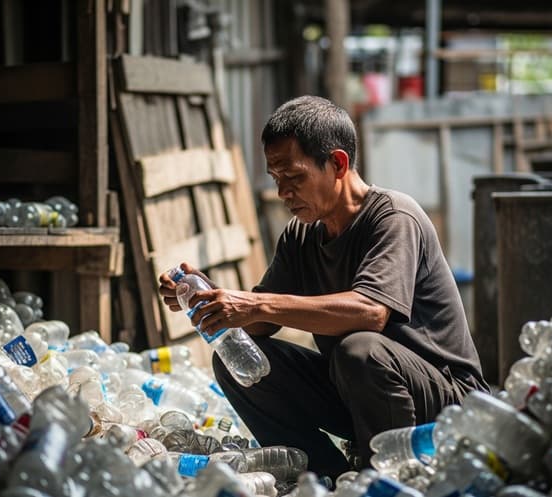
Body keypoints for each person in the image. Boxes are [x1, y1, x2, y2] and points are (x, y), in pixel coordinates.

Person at [158, 95, 488, 479]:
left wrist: (256, 304)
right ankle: (323, 478)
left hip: (445, 402)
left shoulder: (394, 217)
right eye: (276, 179)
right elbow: (260, 326)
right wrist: (210, 298)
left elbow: (371, 312)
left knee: (359, 349)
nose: (283, 192)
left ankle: (389, 478)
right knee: (236, 363)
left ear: (337, 164)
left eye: (294, 177)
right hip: (362, 392)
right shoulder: (301, 235)